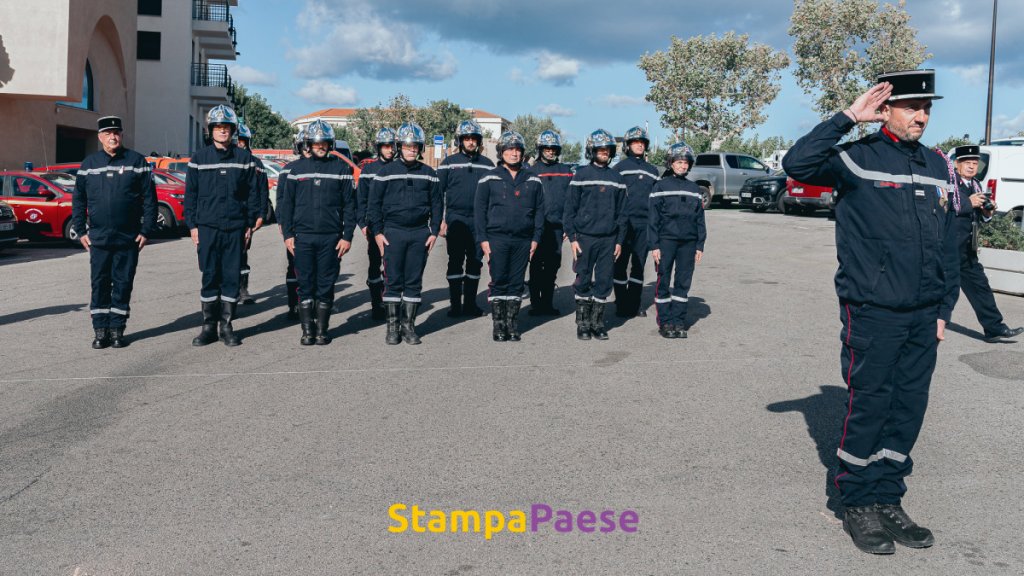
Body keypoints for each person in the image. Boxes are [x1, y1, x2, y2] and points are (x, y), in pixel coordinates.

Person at [783, 70, 960, 555]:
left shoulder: (935, 163)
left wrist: (945, 307)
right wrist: (846, 118)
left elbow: (949, 243)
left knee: (908, 409)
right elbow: (798, 164)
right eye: (910, 107)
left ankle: (888, 497)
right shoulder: (856, 158)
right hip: (874, 309)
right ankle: (857, 501)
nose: (921, 115)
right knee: (870, 406)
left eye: (927, 108)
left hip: (925, 314)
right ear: (885, 109)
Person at [71, 116, 157, 349]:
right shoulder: (89, 164)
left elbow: (150, 199)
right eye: (108, 133)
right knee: (99, 283)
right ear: (100, 137)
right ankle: (101, 331)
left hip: (128, 238)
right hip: (98, 238)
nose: (113, 137)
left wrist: (146, 230)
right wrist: (80, 231)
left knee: (123, 283)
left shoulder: (136, 161)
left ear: (121, 135)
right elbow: (78, 200)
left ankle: (117, 330)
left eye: (116, 132)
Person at [184, 105, 261, 347]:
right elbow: (191, 196)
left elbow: (254, 194)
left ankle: (226, 326)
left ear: (233, 130)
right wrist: (193, 226)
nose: (222, 131)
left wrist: (251, 223)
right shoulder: (199, 159)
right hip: (207, 228)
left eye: (226, 127)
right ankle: (208, 327)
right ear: (211, 131)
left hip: (235, 228)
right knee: (209, 276)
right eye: (218, 127)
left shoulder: (245, 159)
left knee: (230, 277)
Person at [277, 119, 356, 345]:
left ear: (330, 144)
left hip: (331, 238)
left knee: (326, 284)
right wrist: (288, 235)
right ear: (308, 144)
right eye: (316, 142)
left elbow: (350, 206)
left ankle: (322, 330)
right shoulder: (295, 170)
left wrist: (347, 236)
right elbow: (286, 206)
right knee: (306, 284)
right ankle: (307, 331)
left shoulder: (341, 169)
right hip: (302, 238)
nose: (320, 146)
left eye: (324, 142)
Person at [367, 122, 443, 345]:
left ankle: (409, 327)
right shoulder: (384, 172)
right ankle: (392, 328)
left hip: (420, 233)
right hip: (393, 232)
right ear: (400, 146)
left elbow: (438, 205)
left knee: (413, 282)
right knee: (392, 282)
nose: (411, 149)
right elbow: (374, 205)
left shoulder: (429, 174)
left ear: (420, 148)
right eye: (407, 145)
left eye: (415, 146)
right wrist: (378, 233)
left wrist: (434, 231)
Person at [948, 144, 1023, 341]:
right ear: (957, 164)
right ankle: (929, 327)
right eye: (967, 163)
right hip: (948, 247)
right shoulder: (949, 184)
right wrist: (967, 203)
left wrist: (987, 214)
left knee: (980, 287)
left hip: (968, 248)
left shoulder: (976, 185)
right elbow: (943, 209)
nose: (972, 167)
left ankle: (994, 328)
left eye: (975, 163)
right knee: (945, 290)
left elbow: (978, 216)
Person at [475, 131, 544, 342]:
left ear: (522, 154)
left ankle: (512, 325)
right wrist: (483, 240)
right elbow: (479, 211)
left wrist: (535, 239)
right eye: (509, 149)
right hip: (497, 238)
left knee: (516, 283)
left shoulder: (533, 179)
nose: (514, 154)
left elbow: (540, 211)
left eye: (518, 150)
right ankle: (499, 325)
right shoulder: (489, 177)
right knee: (499, 281)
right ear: (501, 152)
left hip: (523, 239)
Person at [563, 128, 626, 341]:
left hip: (609, 239)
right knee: (582, 279)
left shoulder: (617, 178)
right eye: (599, 148)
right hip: (584, 237)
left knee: (604, 280)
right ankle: (583, 324)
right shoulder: (580, 175)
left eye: (607, 149)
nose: (604, 152)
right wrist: (572, 238)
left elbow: (622, 213)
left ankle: (598, 323)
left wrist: (619, 241)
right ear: (591, 150)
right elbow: (569, 210)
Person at [649, 142, 706, 338]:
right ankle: (665, 322)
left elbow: (700, 219)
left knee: (683, 282)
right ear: (671, 163)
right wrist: (654, 245)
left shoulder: (694, 189)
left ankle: (678, 321)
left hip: (688, 243)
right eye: (679, 162)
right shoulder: (660, 186)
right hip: (666, 241)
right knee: (663, 280)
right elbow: (653, 219)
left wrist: (700, 245)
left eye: (686, 163)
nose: (683, 166)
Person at [438, 119, 494, 317]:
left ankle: (470, 304)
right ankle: (455, 305)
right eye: (466, 138)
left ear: (478, 141)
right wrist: (440, 221)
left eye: (474, 139)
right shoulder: (448, 163)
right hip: (455, 219)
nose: (470, 142)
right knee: (455, 262)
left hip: (479, 221)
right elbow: (438, 194)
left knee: (475, 262)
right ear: (460, 140)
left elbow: (494, 196)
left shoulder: (488, 165)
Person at [613, 125, 660, 318]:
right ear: (628, 145)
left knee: (639, 265)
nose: (639, 145)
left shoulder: (652, 170)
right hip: (624, 225)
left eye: (642, 142)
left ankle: (634, 304)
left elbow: (658, 200)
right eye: (635, 142)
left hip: (644, 225)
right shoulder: (619, 168)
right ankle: (621, 303)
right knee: (620, 264)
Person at [526, 130, 573, 316]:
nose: (550, 151)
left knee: (553, 267)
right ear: (540, 149)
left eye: (553, 148)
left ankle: (547, 303)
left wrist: (567, 226)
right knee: (536, 266)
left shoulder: (566, 172)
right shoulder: (530, 171)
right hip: (537, 229)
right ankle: (535, 304)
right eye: (547, 148)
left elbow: (571, 201)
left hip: (557, 228)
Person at [356, 127, 397, 321]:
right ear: (379, 147)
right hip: (374, 226)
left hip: (395, 226)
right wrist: (363, 225)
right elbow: (360, 201)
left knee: (394, 267)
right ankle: (376, 303)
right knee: (375, 266)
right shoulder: (369, 170)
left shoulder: (400, 168)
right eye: (386, 146)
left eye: (392, 146)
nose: (390, 150)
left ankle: (392, 303)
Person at [278, 128, 311, 320]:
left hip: (316, 227)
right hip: (295, 226)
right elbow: (282, 199)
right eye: (303, 146)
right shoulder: (288, 169)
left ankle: (313, 302)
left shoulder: (324, 167)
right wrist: (284, 222)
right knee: (294, 266)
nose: (307, 149)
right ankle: (294, 303)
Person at [235, 122, 269, 305]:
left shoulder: (256, 164)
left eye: (242, 141)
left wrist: (261, 214)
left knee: (243, 252)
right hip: (232, 215)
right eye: (237, 141)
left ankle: (242, 289)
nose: (239, 144)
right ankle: (227, 291)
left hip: (249, 216)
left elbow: (263, 191)